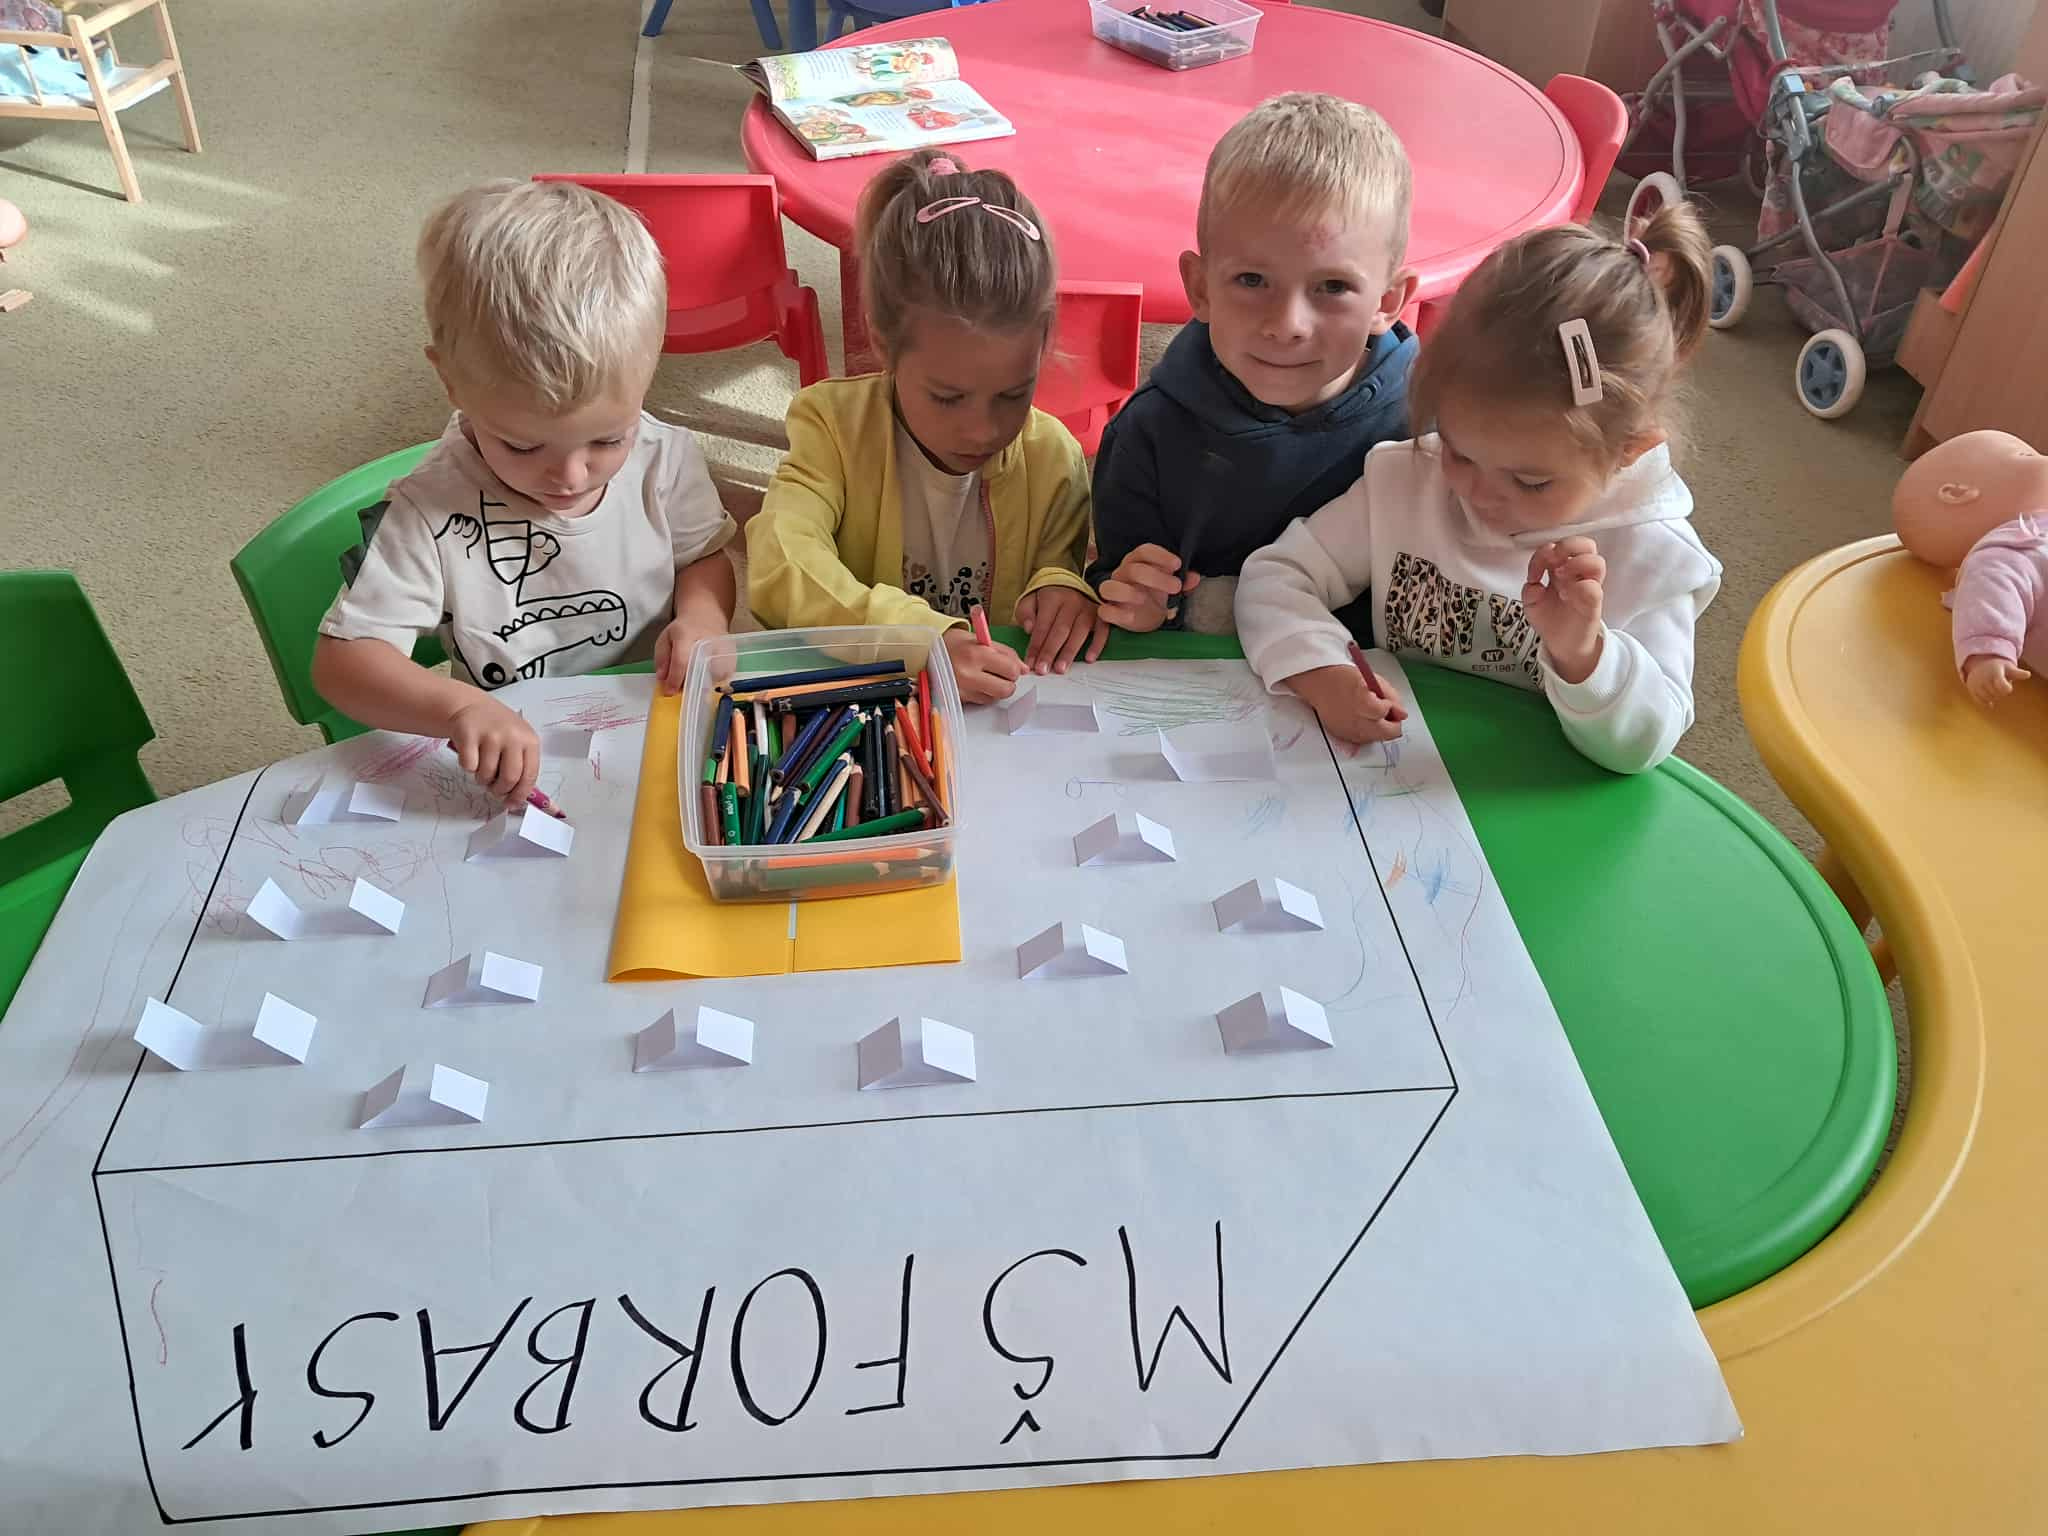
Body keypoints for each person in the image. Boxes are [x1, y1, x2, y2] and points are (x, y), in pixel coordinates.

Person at [1235, 209, 1724, 775]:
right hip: (1396, 780)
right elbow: (1277, 575)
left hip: (1535, 795)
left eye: (1531, 482)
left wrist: (1585, 655)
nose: (1479, 494)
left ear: (1628, 452)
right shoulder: (1409, 480)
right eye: (1459, 452)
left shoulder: (1654, 554)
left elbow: (1646, 746)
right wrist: (1321, 670)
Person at [314, 179, 736, 805]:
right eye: (521, 445)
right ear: (451, 383)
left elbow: (702, 556)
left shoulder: (662, 455)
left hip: (653, 723)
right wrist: (458, 708)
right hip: (518, 760)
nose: (570, 477)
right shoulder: (428, 509)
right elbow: (344, 662)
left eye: (607, 439)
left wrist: (704, 617)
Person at [746, 150, 1102, 703]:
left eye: (1013, 394)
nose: (982, 430)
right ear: (882, 343)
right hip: (872, 705)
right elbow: (782, 562)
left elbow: (1059, 562)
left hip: (998, 719)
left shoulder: (1053, 454)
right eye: (948, 397)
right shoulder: (832, 426)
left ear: (1043, 345)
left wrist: (1062, 588)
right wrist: (921, 641)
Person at [1088, 93, 1419, 636]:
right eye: (1252, 280)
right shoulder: (1147, 434)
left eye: (1333, 286)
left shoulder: (1431, 426)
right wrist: (1136, 601)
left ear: (1387, 302)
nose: (1287, 324)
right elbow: (1122, 585)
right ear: (1200, 288)